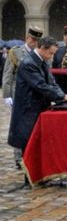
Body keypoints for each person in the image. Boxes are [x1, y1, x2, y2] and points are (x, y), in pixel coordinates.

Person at [8, 36, 67, 162]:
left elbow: (52, 83)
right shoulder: (29, 63)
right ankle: (30, 179)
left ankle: (39, 177)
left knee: (37, 145)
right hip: (28, 110)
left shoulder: (42, 61)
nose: (51, 56)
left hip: (38, 108)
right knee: (29, 144)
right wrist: (62, 96)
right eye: (50, 53)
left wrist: (63, 97)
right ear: (42, 48)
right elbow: (40, 85)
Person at [2, 25, 43, 169]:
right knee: (19, 125)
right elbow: (8, 74)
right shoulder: (16, 52)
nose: (34, 42)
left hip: (34, 95)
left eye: (37, 40)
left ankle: (30, 154)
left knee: (32, 125)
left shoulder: (39, 54)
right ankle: (19, 158)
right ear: (27, 38)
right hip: (18, 94)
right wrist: (7, 95)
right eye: (32, 39)